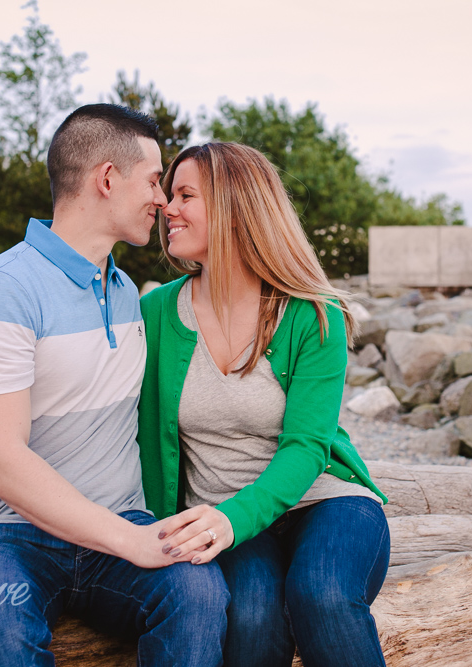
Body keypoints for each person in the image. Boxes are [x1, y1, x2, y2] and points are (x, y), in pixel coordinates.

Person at [0, 104, 229, 667]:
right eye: (153, 181)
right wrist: (134, 543)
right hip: (7, 535)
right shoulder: (2, 290)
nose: (163, 200)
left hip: (123, 520)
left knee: (199, 594)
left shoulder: (127, 294)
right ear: (105, 178)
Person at [136, 142, 391, 667]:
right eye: (170, 193)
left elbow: (306, 446)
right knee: (252, 617)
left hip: (326, 504)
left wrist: (232, 519)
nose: (168, 206)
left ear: (234, 208)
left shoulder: (313, 315)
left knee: (319, 593)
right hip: (224, 519)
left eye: (186, 195)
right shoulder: (157, 313)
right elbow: (102, 407)